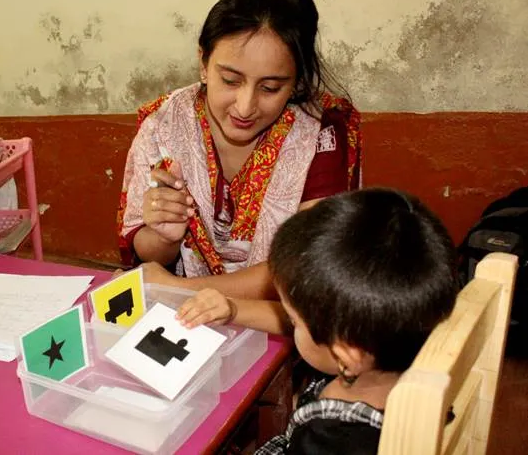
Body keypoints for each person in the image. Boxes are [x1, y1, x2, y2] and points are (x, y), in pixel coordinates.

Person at [117, 0, 362, 300]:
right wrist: (164, 236)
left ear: (296, 83)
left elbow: (307, 268)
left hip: (282, 320)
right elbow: (149, 255)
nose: (245, 107)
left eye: (270, 88)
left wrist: (179, 290)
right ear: (204, 63)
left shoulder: (318, 134)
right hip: (185, 318)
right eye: (231, 81)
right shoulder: (164, 126)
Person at [176, 188, 459, 454]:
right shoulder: (398, 341)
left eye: (295, 321)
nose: (290, 323)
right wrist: (233, 309)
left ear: (346, 355)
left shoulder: (329, 442)